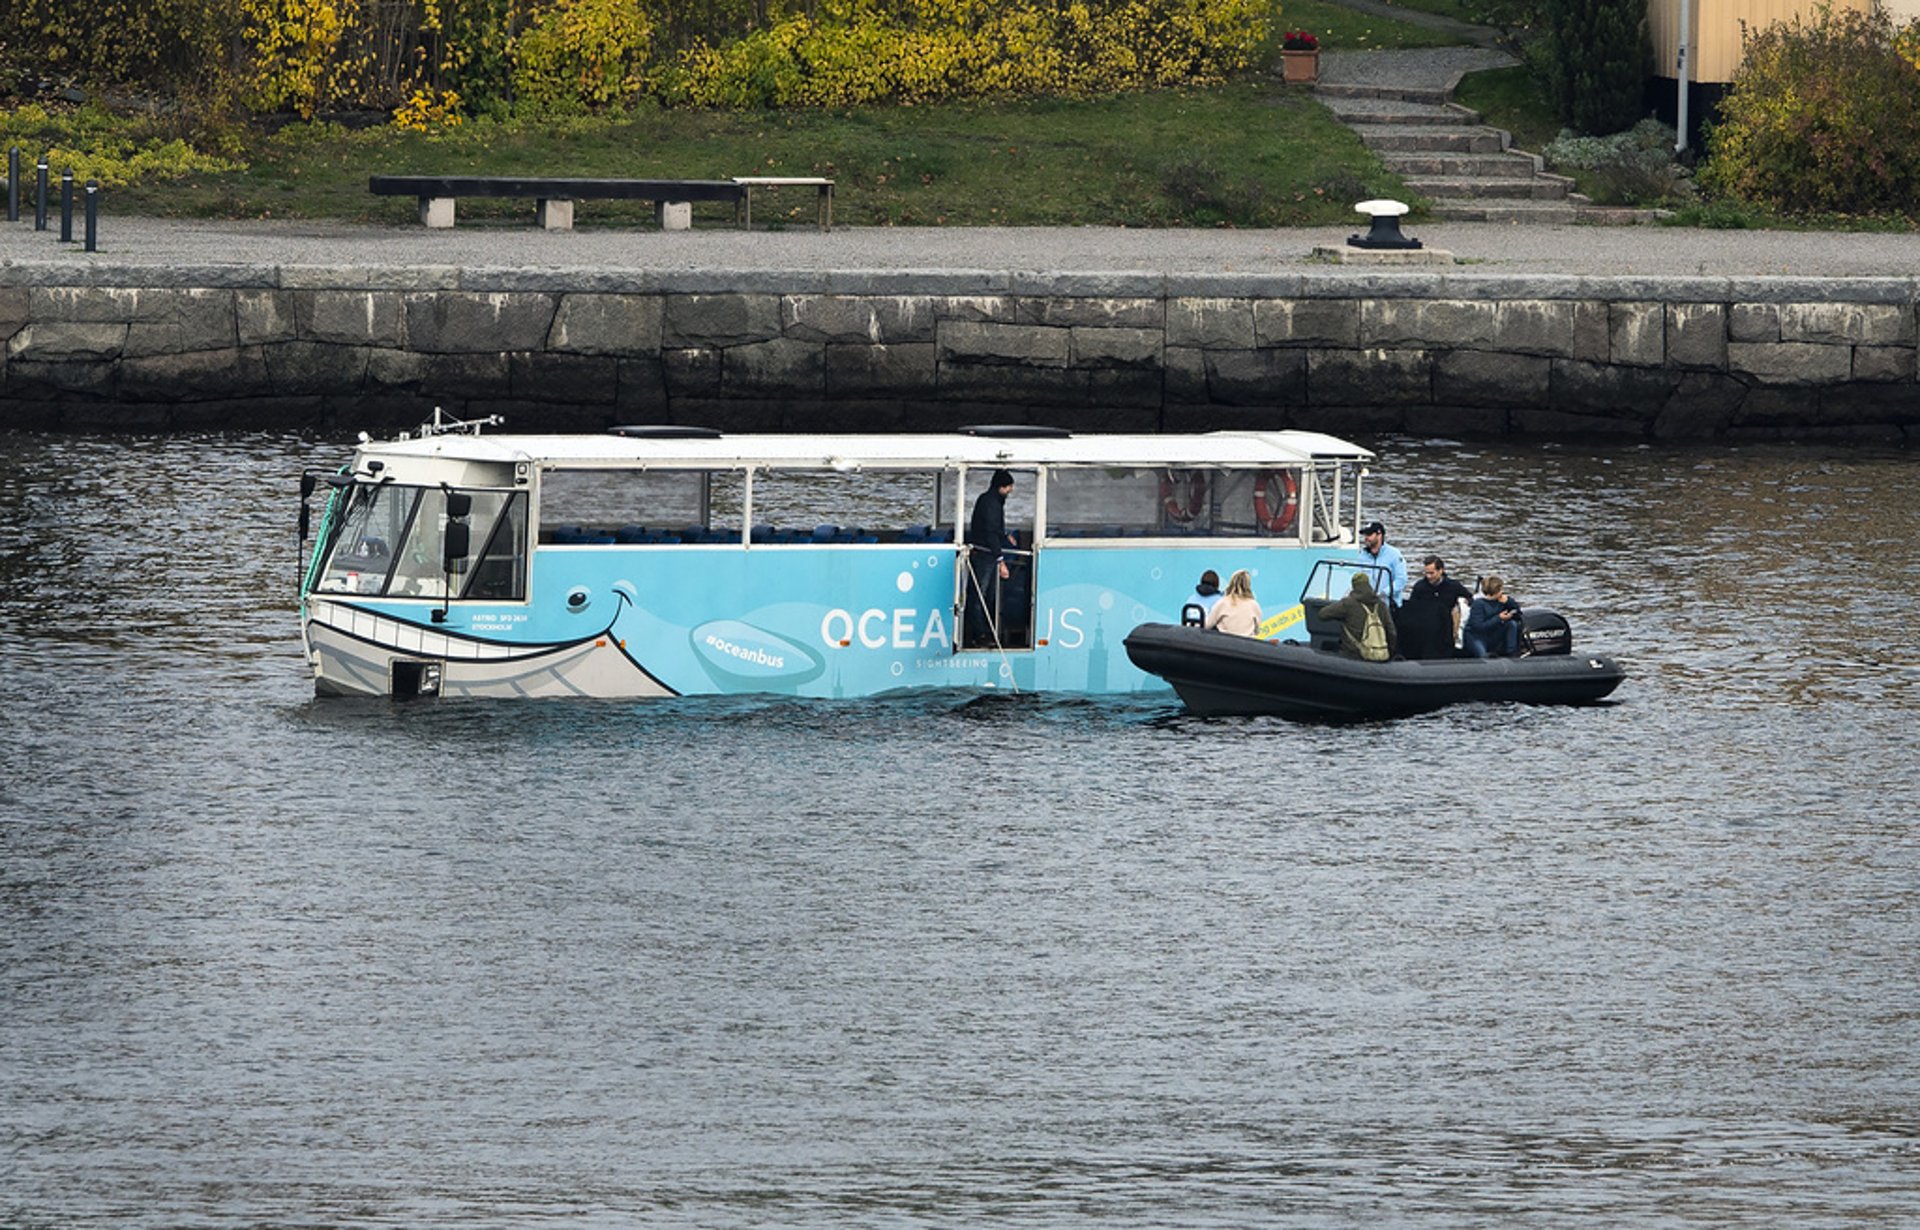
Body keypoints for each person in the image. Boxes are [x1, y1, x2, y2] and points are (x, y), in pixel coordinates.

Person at [965, 469, 1018, 644]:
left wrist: (1004, 535)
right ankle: (979, 634)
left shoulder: (986, 499)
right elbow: (990, 532)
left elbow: (992, 528)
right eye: (1009, 487)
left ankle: (985, 631)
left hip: (985, 553)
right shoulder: (993, 504)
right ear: (1001, 487)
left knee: (986, 594)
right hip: (985, 555)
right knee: (979, 595)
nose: (1010, 491)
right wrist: (1000, 560)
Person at [1400, 555, 1474, 660]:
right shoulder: (1420, 586)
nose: (1429, 576)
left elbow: (1469, 597)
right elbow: (1412, 606)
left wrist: (1467, 602)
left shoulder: (1453, 586)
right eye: (1426, 573)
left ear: (1441, 571)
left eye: (1431, 573)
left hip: (1446, 625)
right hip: (1426, 625)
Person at [1318, 571, 1398, 661]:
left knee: (1327, 646)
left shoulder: (1348, 603)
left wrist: (1340, 616)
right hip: (1380, 654)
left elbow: (1322, 614)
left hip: (1352, 655)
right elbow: (1392, 632)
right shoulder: (1381, 605)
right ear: (1368, 585)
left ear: (1354, 586)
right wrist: (1389, 652)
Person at [1463, 573, 1523, 658]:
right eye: (1501, 589)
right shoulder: (1478, 604)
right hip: (1477, 636)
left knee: (1512, 624)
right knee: (1482, 655)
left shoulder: (1503, 600)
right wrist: (1498, 618)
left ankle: (1512, 653)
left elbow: (1518, 614)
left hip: (1493, 633)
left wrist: (1509, 602)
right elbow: (1478, 627)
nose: (1502, 592)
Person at [1356, 520, 1408, 608]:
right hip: (1367, 605)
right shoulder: (1362, 555)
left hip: (1388, 606)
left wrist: (1383, 593)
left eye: (1369, 535)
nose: (1366, 538)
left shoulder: (1394, 554)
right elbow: (1357, 577)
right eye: (1365, 535)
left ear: (1379, 535)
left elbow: (1401, 580)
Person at [1203, 569, 1263, 636]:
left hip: (1224, 644)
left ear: (1231, 583)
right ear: (1248, 585)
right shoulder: (1254, 606)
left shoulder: (1223, 602)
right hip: (1247, 644)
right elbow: (1257, 631)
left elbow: (1207, 626)